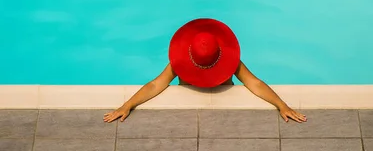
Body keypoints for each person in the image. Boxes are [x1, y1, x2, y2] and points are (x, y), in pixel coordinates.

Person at [103, 18, 306, 124]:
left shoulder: (186, 62)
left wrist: (282, 105)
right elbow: (253, 82)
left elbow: (157, 83)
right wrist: (127, 105)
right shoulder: (183, 61)